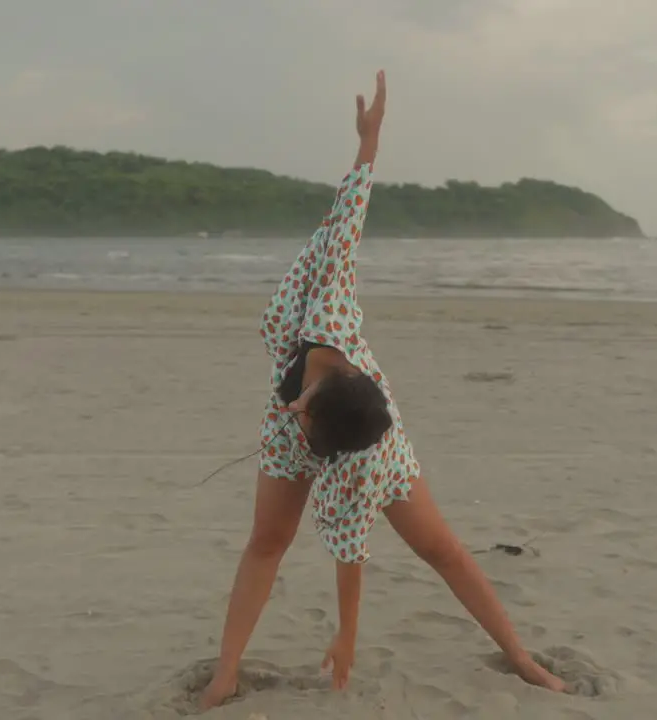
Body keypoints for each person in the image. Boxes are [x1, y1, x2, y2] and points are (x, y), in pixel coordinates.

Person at [199, 70, 566, 711]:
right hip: (340, 416)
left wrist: (347, 635)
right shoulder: (328, 313)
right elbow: (350, 218)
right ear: (302, 407)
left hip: (366, 432)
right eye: (305, 426)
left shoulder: (358, 454)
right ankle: (224, 674)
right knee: (267, 540)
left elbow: (349, 544)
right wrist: (368, 143)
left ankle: (522, 657)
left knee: (439, 547)